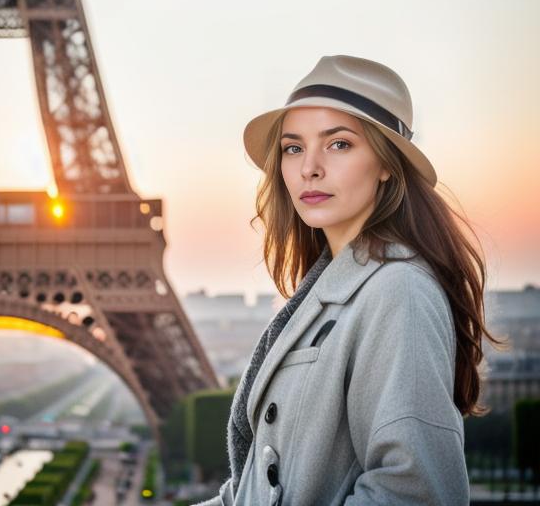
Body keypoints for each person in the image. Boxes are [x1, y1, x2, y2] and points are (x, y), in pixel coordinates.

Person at [194, 55, 507, 506]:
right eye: (293, 148)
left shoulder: (398, 292)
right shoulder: (334, 290)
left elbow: (415, 494)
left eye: (339, 144)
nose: (310, 168)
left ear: (386, 163)